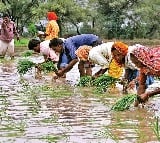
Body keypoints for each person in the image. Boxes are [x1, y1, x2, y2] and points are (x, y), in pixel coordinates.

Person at [75, 42, 154, 93]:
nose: (117, 57)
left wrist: (134, 81)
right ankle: (126, 93)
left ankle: (142, 98)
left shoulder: (132, 58)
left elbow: (143, 71)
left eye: (118, 55)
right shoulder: (121, 60)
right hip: (135, 67)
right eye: (115, 55)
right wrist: (124, 79)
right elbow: (127, 69)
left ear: (123, 52)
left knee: (140, 84)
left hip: (145, 68)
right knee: (126, 82)